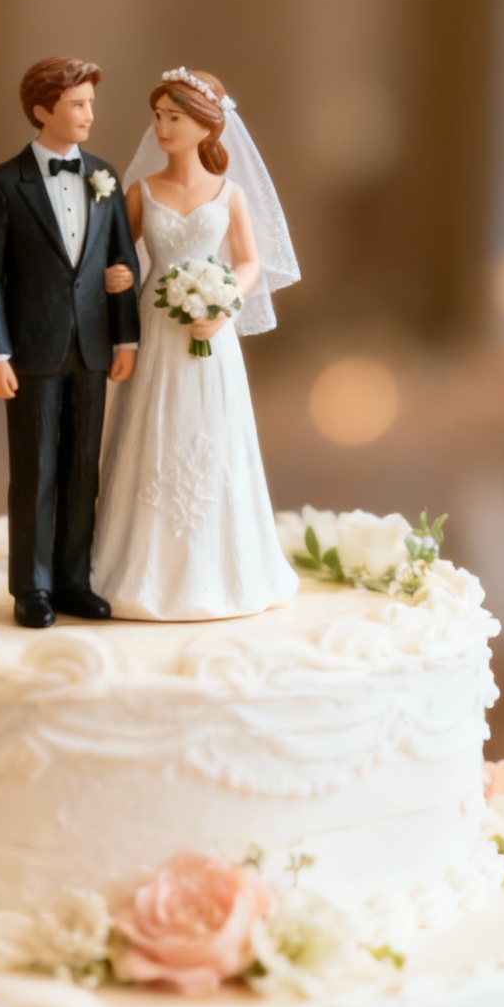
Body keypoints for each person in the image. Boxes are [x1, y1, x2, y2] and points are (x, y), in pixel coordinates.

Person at [90, 68, 301, 621]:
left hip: (211, 328)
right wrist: (116, 276)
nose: (162, 128)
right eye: (158, 116)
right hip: (158, 327)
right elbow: (115, 253)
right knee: (155, 423)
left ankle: (225, 567)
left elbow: (249, 261)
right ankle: (141, 566)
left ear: (207, 126)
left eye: (174, 118)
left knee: (212, 424)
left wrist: (225, 301)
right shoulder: (141, 192)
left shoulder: (229, 195)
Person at [0, 57, 142, 629]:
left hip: (92, 348)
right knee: (35, 471)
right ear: (43, 111)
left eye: (90, 103)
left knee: (84, 469)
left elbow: (122, 260)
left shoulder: (104, 176)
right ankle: (33, 586)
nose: (89, 115)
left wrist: (126, 338)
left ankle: (73, 579)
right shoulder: (1, 185)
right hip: (32, 351)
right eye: (77, 104)